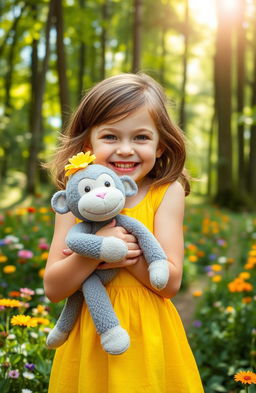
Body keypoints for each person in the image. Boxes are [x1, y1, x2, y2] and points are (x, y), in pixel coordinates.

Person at [44, 73, 204, 393]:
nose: (126, 150)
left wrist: (123, 254)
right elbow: (54, 287)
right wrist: (97, 250)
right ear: (88, 144)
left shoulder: (165, 192)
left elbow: (170, 283)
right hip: (90, 334)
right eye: (111, 137)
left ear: (160, 147)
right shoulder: (75, 201)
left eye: (141, 137)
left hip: (148, 334)